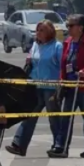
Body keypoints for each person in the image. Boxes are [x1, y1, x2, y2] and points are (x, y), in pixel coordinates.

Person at [50, 14, 84, 159]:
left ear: (80, 28)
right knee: (66, 117)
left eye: (71, 26)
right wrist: (63, 80)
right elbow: (64, 64)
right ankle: (60, 147)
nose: (68, 28)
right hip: (70, 86)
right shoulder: (68, 42)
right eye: (67, 25)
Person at [6, 20, 62, 156]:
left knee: (54, 118)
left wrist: (60, 86)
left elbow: (62, 67)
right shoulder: (36, 45)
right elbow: (32, 61)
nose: (38, 33)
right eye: (37, 30)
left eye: (42, 30)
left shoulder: (57, 47)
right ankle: (19, 144)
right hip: (35, 86)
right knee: (29, 116)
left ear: (49, 32)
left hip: (50, 87)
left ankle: (59, 145)